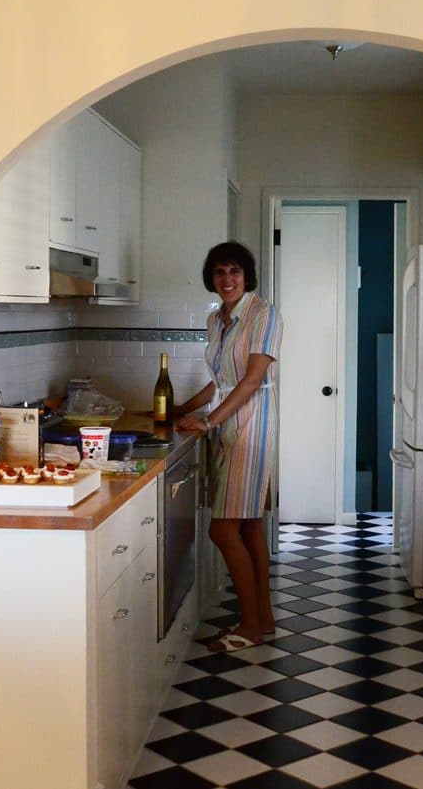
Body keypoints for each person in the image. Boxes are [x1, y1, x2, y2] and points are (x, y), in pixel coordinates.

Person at [176, 241, 283, 653]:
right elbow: (221, 380)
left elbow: (252, 379)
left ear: (247, 274)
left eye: (234, 271)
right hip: (226, 426)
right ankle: (264, 617)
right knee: (249, 524)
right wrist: (184, 409)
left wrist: (208, 420)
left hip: (251, 427)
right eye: (219, 272)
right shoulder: (217, 319)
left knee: (222, 530)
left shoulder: (264, 314)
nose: (227, 280)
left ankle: (251, 626)